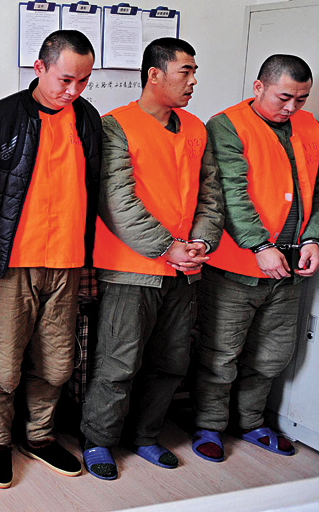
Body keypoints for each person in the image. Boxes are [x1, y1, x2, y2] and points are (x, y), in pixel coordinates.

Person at [80, 38, 224, 480]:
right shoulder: (115, 126)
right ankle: (99, 441)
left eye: (195, 71)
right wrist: (167, 247)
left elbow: (211, 195)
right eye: (186, 71)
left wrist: (201, 243)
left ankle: (145, 436)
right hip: (131, 271)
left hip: (184, 270)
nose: (193, 81)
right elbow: (117, 202)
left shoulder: (196, 128)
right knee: (118, 363)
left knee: (171, 362)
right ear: (154, 75)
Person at [0, 30, 101, 488]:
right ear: (39, 67)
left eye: (83, 81)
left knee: (57, 362)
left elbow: (94, 188)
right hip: (10, 264)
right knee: (2, 365)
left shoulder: (87, 119)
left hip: (67, 263)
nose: (73, 90)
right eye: (65, 79)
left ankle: (40, 437)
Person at [193, 55, 319, 462]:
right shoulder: (226, 125)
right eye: (284, 97)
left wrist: (315, 239)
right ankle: (208, 425)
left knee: (273, 355)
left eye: (301, 99)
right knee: (220, 355)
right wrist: (259, 245)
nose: (292, 107)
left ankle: (252, 422)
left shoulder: (312, 128)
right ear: (259, 87)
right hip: (235, 268)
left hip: (290, 270)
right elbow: (231, 194)